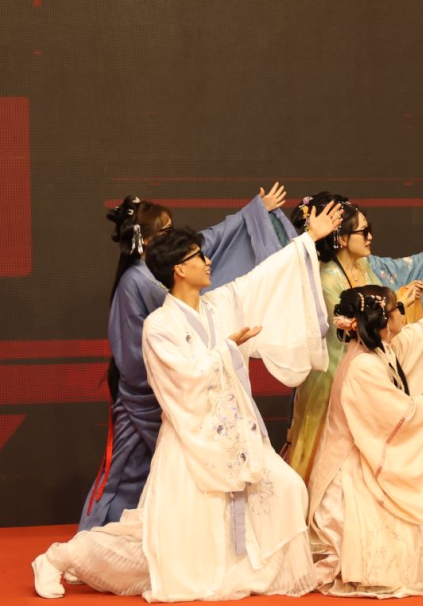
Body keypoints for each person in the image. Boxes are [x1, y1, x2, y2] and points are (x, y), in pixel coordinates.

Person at [32, 199, 344, 601]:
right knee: (161, 548)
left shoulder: (217, 306)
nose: (208, 261)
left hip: (233, 438)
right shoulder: (159, 325)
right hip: (190, 444)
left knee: (285, 490)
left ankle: (248, 571)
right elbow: (183, 380)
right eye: (198, 256)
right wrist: (226, 349)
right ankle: (57, 558)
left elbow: (262, 279)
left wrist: (308, 240)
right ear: (179, 270)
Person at [80, 186, 297, 532]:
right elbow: (132, 356)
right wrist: (177, 374)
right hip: (150, 393)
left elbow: (211, 240)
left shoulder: (168, 270)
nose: (204, 259)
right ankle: (101, 531)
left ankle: (171, 534)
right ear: (146, 241)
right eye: (166, 231)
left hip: (185, 389)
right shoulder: (135, 281)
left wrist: (253, 213)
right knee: (127, 473)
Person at [305, 270, 423, 598]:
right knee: (419, 524)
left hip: (367, 449)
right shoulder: (364, 366)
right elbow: (400, 417)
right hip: (353, 462)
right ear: (382, 320)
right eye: (397, 310)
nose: (402, 315)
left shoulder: (379, 350)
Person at [281, 192, 423, 483]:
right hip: (334, 379)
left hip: (368, 373)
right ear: (343, 238)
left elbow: (402, 274)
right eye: (363, 231)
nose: (370, 237)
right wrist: (400, 303)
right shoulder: (326, 278)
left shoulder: (364, 266)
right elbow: (350, 329)